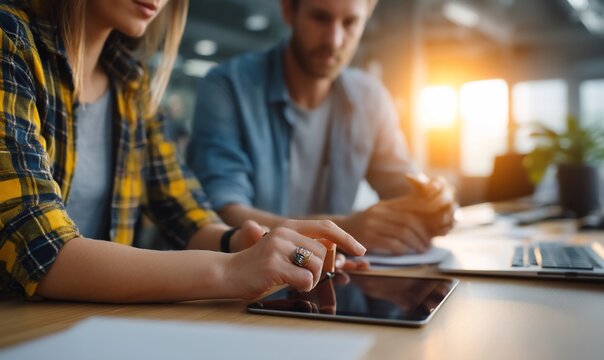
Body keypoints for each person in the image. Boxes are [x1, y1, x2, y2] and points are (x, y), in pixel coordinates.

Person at [0, 0, 366, 302]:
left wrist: (248, 243)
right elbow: (39, 248)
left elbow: (184, 212)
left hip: (86, 327)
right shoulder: (8, 39)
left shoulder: (131, 82)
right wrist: (232, 269)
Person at [186, 0, 456, 255]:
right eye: (320, 17)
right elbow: (225, 214)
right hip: (235, 289)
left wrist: (432, 205)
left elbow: (402, 185)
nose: (334, 40)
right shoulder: (227, 87)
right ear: (288, 10)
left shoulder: (370, 98)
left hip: (327, 282)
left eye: (350, 23)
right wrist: (347, 229)